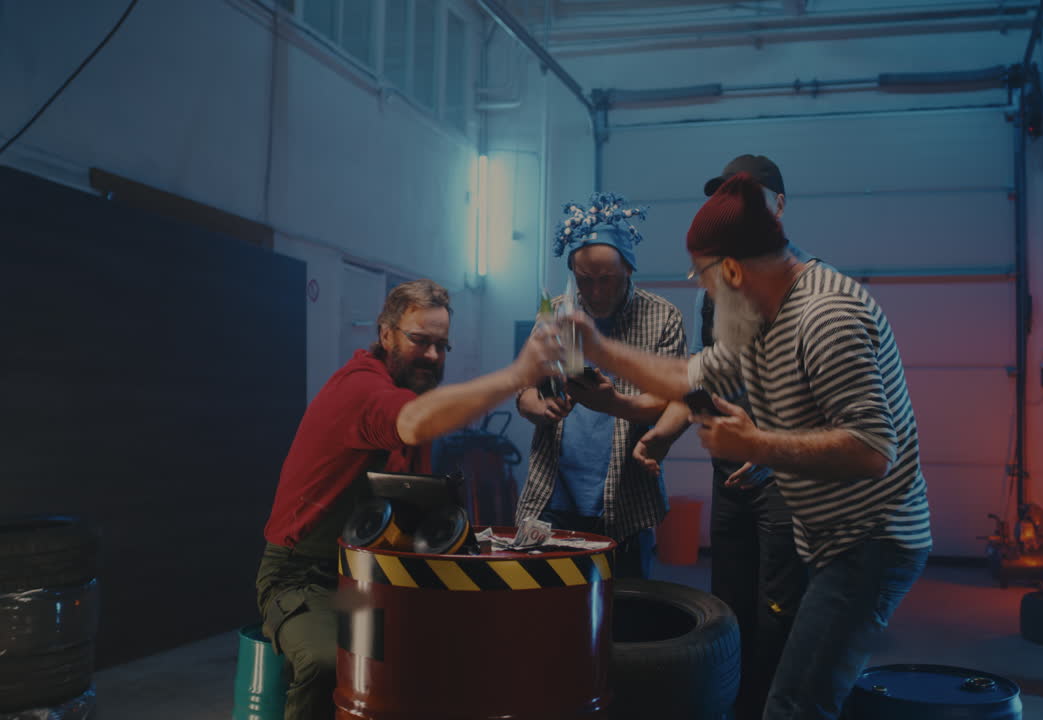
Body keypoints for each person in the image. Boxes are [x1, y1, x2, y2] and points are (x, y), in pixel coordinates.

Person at [573, 174, 931, 719]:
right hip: (830, 537)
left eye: (705, 275)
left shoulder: (825, 315)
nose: (703, 289)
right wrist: (600, 350)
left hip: (870, 542)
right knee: (798, 693)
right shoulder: (762, 315)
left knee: (793, 704)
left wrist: (759, 444)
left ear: (735, 269)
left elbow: (871, 449)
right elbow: (694, 376)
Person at [256, 278, 562, 720]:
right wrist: (516, 376)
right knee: (329, 664)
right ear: (386, 334)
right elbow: (414, 423)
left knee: (435, 652)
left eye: (442, 346)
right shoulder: (362, 389)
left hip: (362, 577)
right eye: (420, 341)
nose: (433, 356)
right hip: (301, 577)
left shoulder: (410, 395)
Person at [636, 154, 812, 720]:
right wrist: (662, 436)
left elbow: (822, 393)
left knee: (778, 614)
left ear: (779, 207)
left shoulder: (803, 287)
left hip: (786, 483)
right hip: (729, 479)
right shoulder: (710, 293)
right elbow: (701, 380)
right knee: (727, 610)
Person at [514, 192, 687, 579]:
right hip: (552, 496)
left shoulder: (662, 317)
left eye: (606, 280)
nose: (594, 292)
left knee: (624, 619)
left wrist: (614, 404)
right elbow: (524, 391)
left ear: (628, 268)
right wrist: (538, 409)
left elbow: (672, 403)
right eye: (584, 280)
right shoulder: (556, 312)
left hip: (625, 503)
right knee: (546, 615)